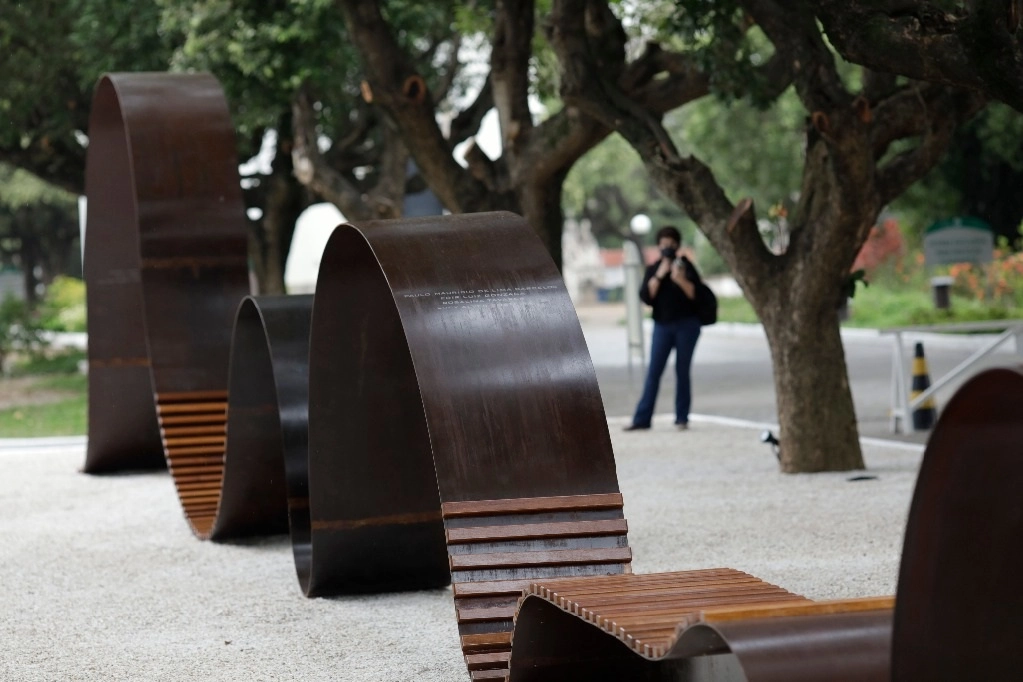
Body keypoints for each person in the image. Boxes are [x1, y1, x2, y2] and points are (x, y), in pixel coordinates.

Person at [625, 225, 702, 431]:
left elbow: (697, 295)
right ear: (658, 245)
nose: (668, 247)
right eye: (664, 244)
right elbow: (647, 297)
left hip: (687, 325)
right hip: (663, 326)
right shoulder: (654, 268)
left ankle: (682, 417)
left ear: (678, 245)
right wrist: (660, 274)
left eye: (672, 244)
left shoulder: (686, 267)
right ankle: (642, 418)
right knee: (654, 371)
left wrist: (679, 278)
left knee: (682, 371)